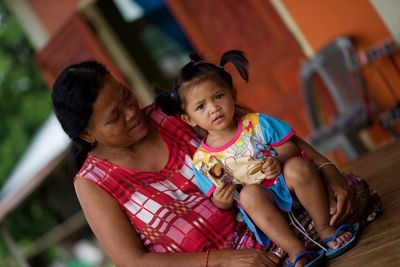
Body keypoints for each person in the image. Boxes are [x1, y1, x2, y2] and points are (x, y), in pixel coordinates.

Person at [51, 60, 381, 267]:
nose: (131, 111)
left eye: (125, 95)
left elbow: (263, 131)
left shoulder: (174, 112)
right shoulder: (93, 183)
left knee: (342, 200)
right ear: (87, 134)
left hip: (274, 226)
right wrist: (224, 260)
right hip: (217, 262)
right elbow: (132, 261)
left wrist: (327, 169)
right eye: (114, 117)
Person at [154, 50, 359, 266]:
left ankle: (325, 228)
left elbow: (290, 148)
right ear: (189, 119)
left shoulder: (257, 124)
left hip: (288, 183)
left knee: (297, 166)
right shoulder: (202, 160)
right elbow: (217, 199)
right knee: (248, 196)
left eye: (218, 96)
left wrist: (278, 161)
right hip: (262, 203)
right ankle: (296, 250)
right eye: (201, 106)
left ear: (232, 94)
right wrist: (221, 201)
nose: (213, 108)